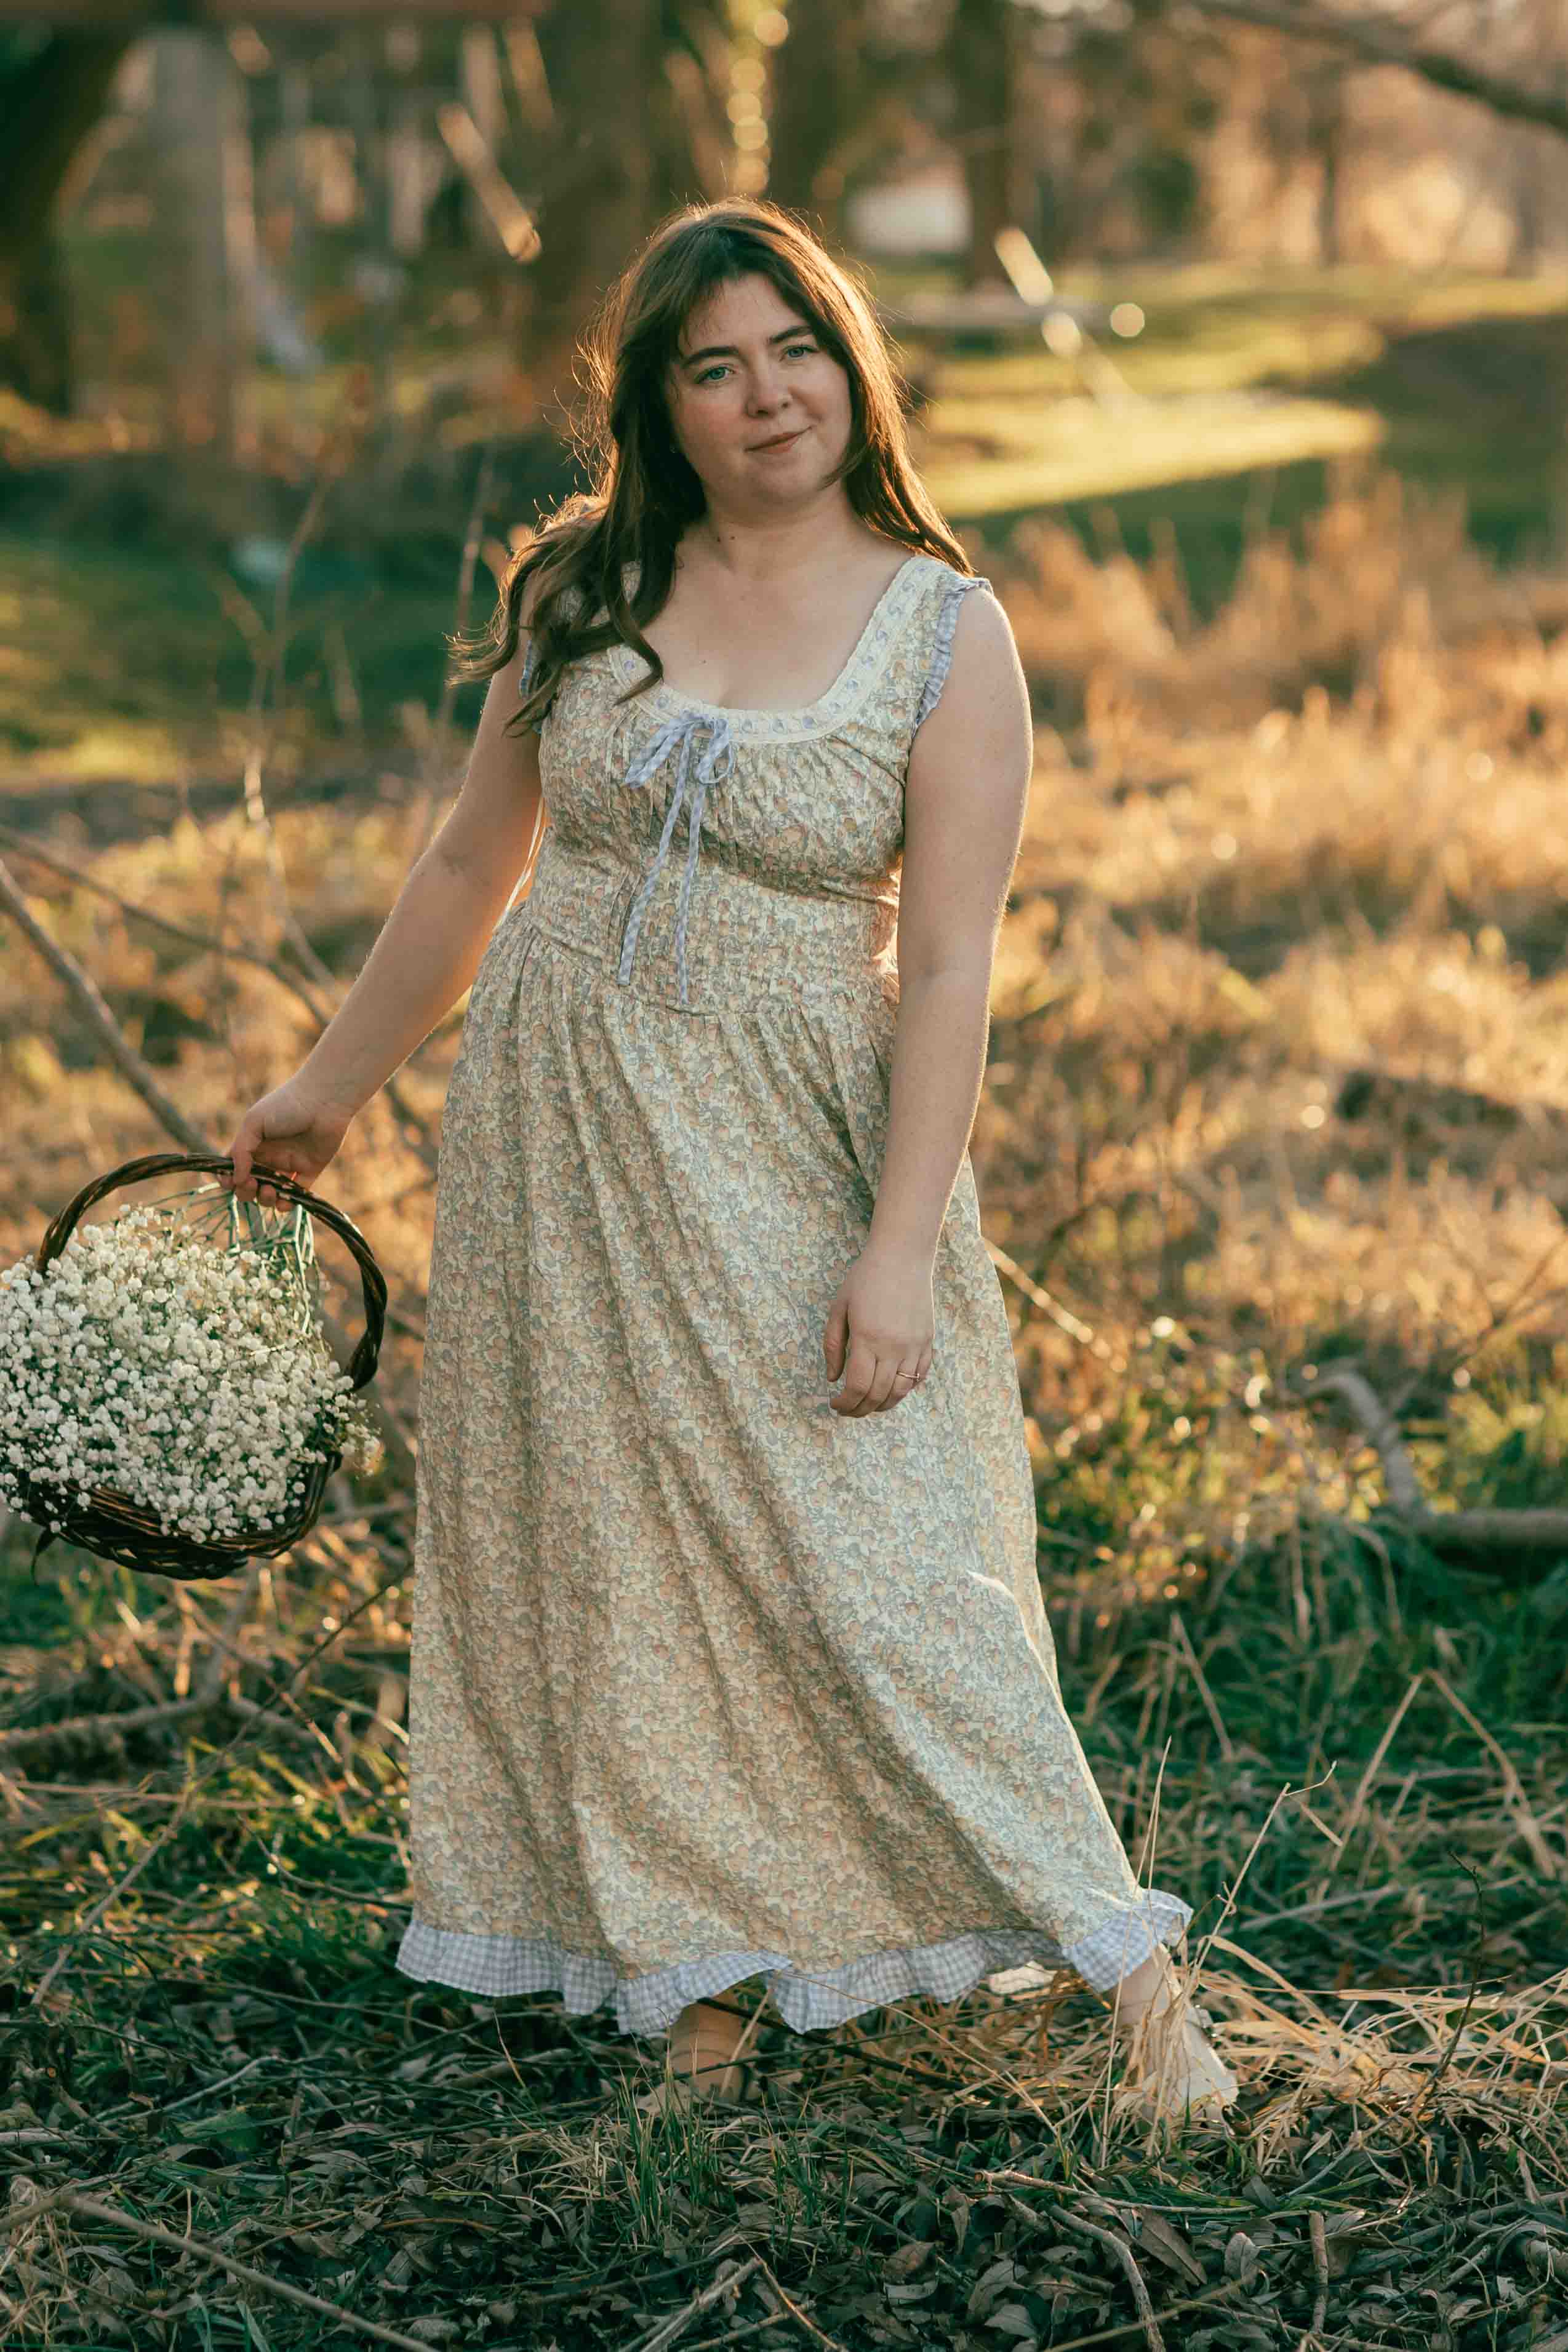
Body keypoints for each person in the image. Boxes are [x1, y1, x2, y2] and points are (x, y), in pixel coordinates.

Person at [223, 198, 1238, 2126]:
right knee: (622, 1558)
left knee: (886, 1576)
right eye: (715, 366)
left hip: (797, 1142)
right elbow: (471, 861)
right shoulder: (579, 591)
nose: (768, 395)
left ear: (852, 370)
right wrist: (329, 1089)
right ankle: (700, 1987)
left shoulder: (944, 631)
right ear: (659, 406)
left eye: (798, 350)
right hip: (565, 1135)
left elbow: (948, 966)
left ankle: (1139, 1993)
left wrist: (894, 1247)